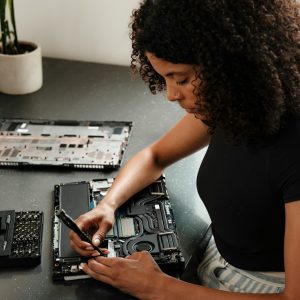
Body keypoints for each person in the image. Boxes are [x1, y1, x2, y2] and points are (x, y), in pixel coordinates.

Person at [69, 0, 300, 299]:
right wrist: (107, 205)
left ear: (230, 64)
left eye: (181, 79)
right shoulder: (232, 104)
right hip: (217, 258)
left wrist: (157, 287)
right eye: (164, 78)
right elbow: (155, 156)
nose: (170, 94)